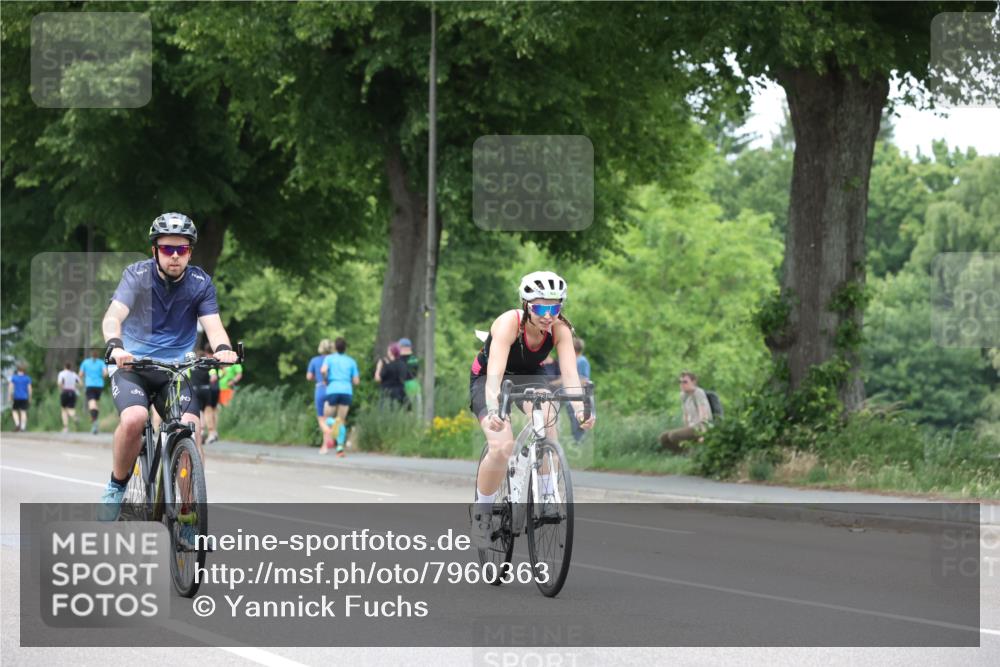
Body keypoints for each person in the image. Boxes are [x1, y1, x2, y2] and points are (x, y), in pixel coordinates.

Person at [98, 212, 238, 525]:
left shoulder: (200, 283)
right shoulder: (136, 276)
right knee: (134, 418)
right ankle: (115, 486)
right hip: (132, 364)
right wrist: (116, 346)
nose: (175, 256)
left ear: (190, 251)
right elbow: (113, 316)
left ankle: (188, 513)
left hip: (175, 369)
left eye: (182, 250)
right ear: (155, 251)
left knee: (192, 427)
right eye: (167, 249)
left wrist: (224, 350)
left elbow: (213, 327)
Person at [470, 271, 595, 547]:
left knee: (549, 416)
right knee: (502, 446)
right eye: (541, 307)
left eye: (555, 307)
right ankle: (482, 512)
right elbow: (494, 375)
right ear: (527, 305)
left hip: (529, 375)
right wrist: (494, 410)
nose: (548, 315)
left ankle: (547, 494)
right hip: (491, 377)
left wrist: (578, 409)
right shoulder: (508, 323)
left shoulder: (560, 329)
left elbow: (570, 375)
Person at [320, 337, 360, 456]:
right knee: (341, 420)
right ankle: (339, 449)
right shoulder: (351, 361)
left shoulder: (329, 358)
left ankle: (329, 440)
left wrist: (326, 380)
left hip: (333, 389)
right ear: (345, 348)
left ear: (335, 348)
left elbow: (323, 370)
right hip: (346, 391)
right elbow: (357, 381)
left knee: (326, 419)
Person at [659, 370, 712, 453]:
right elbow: (685, 415)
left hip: (699, 427)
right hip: (691, 426)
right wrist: (685, 428)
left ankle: (690, 454)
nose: (682, 384)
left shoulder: (698, 393)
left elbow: (704, 416)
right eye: (680, 382)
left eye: (685, 382)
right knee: (664, 437)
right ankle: (682, 454)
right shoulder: (684, 395)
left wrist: (703, 434)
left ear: (693, 382)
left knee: (673, 435)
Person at [307, 339, 333, 437]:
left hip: (320, 388)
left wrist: (317, 377)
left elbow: (309, 377)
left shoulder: (314, 360)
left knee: (321, 418)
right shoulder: (334, 360)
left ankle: (328, 435)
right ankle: (328, 442)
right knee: (330, 417)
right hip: (332, 389)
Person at [567, 337, 591, 442]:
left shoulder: (582, 361)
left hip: (579, 395)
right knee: (573, 420)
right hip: (571, 395)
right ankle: (577, 440)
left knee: (578, 421)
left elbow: (585, 379)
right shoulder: (572, 361)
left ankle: (579, 441)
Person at [79, 348, 108, 434]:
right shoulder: (101, 362)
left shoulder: (85, 362)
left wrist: (85, 376)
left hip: (90, 385)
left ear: (91, 354)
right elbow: (105, 373)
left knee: (92, 404)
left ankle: (94, 422)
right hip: (99, 386)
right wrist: (101, 375)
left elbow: (80, 374)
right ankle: (95, 422)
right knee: (96, 404)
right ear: (97, 354)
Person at [374, 342, 407, 408]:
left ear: (391, 352)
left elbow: (377, 379)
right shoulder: (402, 364)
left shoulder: (387, 366)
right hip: (400, 392)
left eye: (388, 350)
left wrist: (379, 367)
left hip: (387, 393)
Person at [56, 362, 81, 433]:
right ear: (70, 367)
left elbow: (59, 383)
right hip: (73, 392)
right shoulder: (74, 374)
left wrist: (61, 388)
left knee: (63, 409)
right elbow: (80, 383)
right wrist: (75, 387)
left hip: (65, 391)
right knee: (70, 408)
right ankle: (74, 416)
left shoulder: (62, 373)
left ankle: (66, 427)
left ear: (64, 366)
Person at [397, 337, 421, 410]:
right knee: (418, 412)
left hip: (405, 387)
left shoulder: (399, 360)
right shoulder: (414, 359)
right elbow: (417, 374)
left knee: (406, 411)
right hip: (416, 386)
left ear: (402, 347)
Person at [8, 364, 32, 431]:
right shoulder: (27, 378)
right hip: (24, 397)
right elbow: (29, 389)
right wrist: (30, 398)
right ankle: (23, 427)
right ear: (24, 370)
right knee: (23, 411)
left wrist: (10, 397)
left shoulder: (14, 378)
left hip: (16, 397)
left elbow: (10, 388)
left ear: (17, 370)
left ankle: (17, 424)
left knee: (14, 411)